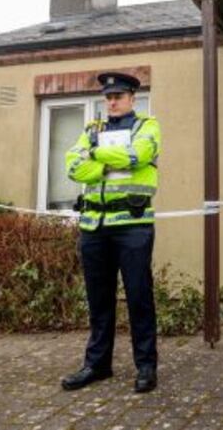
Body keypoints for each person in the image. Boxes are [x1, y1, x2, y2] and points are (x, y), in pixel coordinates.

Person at [60, 71, 160, 394]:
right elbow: (72, 165)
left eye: (118, 96)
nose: (112, 101)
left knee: (138, 297)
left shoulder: (147, 126)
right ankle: (97, 365)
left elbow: (138, 156)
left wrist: (94, 154)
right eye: (108, 97)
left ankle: (146, 366)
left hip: (132, 227)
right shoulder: (93, 129)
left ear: (133, 98)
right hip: (94, 228)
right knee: (98, 301)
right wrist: (105, 163)